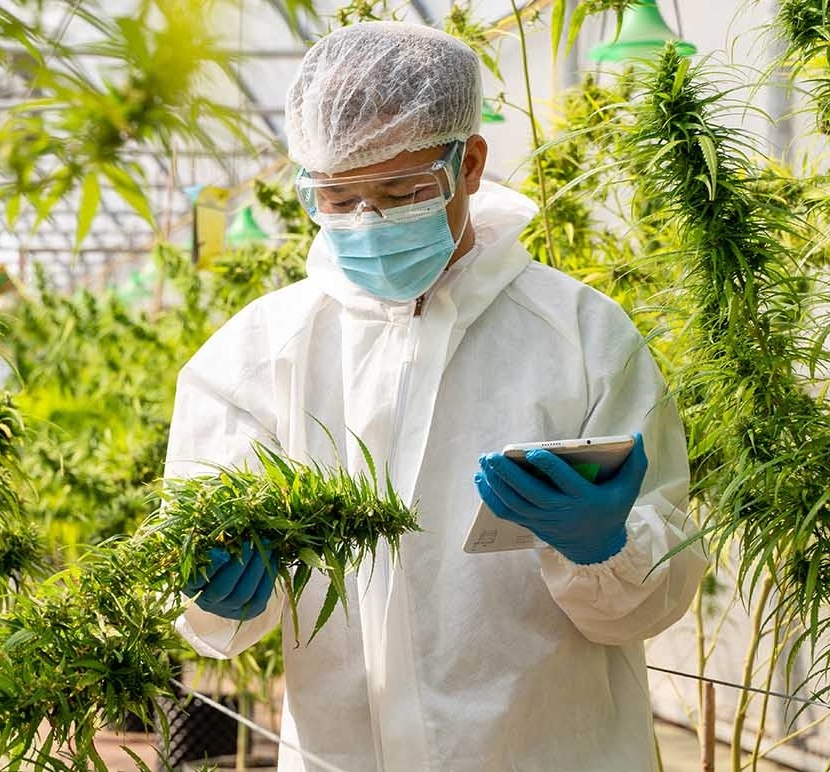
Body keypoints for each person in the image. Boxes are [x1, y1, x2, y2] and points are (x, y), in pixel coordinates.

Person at [166, 20, 705, 772]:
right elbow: (212, 616)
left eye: (403, 190)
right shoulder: (258, 355)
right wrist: (214, 594)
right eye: (339, 197)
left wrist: (606, 547)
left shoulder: (580, 337)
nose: (370, 220)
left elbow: (655, 600)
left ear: (471, 163)